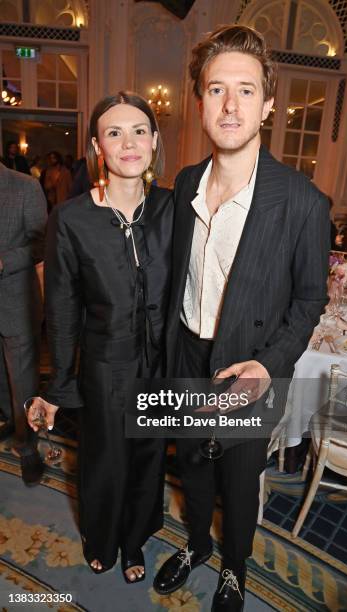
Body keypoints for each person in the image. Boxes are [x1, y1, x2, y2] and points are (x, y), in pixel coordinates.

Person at [153, 25, 330, 611]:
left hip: (250, 367)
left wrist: (269, 364)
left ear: (268, 104)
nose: (230, 105)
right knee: (192, 469)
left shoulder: (304, 202)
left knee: (236, 478)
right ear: (199, 100)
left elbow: (309, 301)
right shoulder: (182, 185)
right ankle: (198, 545)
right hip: (186, 357)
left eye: (246, 91)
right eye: (217, 89)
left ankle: (235, 567)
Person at [26, 91, 172, 582]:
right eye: (114, 132)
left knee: (148, 459)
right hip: (106, 366)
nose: (128, 142)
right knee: (106, 460)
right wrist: (58, 387)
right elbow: (62, 310)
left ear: (154, 141)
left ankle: (135, 540)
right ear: (96, 146)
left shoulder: (175, 209)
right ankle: (101, 537)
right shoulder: (71, 218)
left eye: (138, 131)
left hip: (161, 368)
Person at [0, 162, 47, 485]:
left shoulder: (25, 187)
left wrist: (4, 260)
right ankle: (8, 418)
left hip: (15, 300)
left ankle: (28, 446)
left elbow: (41, 244)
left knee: (23, 378)